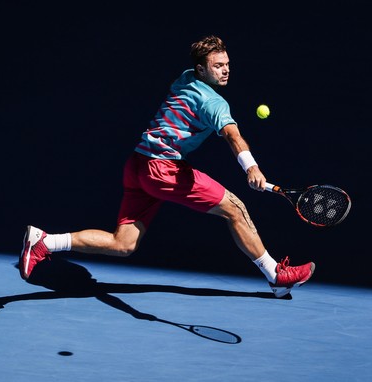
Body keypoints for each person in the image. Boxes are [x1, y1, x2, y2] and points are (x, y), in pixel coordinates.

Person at [19, 35, 314, 298]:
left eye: (226, 64)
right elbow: (232, 135)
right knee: (235, 209)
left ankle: (45, 242)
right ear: (201, 70)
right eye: (217, 66)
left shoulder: (185, 78)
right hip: (163, 169)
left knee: (124, 244)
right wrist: (251, 167)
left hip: (137, 165)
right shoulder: (215, 104)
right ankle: (276, 276)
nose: (225, 70)